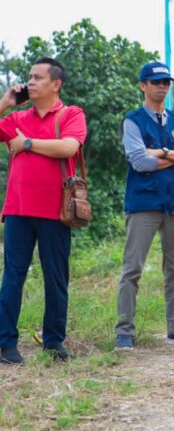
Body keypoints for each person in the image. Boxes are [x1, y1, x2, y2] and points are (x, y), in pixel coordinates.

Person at [115, 62, 174, 350]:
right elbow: (140, 162)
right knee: (132, 269)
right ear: (143, 85)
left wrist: (163, 152)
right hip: (143, 203)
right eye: (156, 82)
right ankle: (124, 332)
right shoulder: (132, 121)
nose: (162, 87)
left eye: (166, 82)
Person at [0, 58, 87, 365]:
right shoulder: (17, 118)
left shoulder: (70, 114)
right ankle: (6, 345)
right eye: (29, 78)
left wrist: (27, 144)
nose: (30, 82)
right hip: (18, 210)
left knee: (56, 277)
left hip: (56, 211)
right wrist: (6, 103)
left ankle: (53, 343)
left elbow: (68, 148)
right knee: (12, 276)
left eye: (38, 78)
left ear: (56, 84)